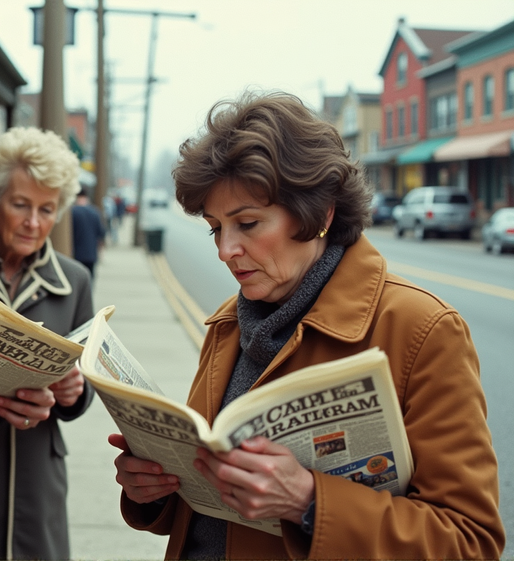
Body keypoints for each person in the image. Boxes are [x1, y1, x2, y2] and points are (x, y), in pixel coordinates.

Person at [111, 92, 504, 559]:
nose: (225, 250)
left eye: (249, 223)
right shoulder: (228, 323)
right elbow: (212, 510)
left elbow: (468, 541)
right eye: (216, 227)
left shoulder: (421, 330)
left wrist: (309, 503)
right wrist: (156, 490)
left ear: (320, 213)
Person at [0, 127, 95, 560]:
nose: (33, 222)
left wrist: (75, 391)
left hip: (35, 479)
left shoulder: (74, 280)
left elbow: (87, 382)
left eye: (47, 209)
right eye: (20, 205)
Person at [71, 189, 106, 276]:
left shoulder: (72, 212)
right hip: (91, 253)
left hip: (76, 253)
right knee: (89, 279)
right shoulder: (95, 212)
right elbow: (101, 232)